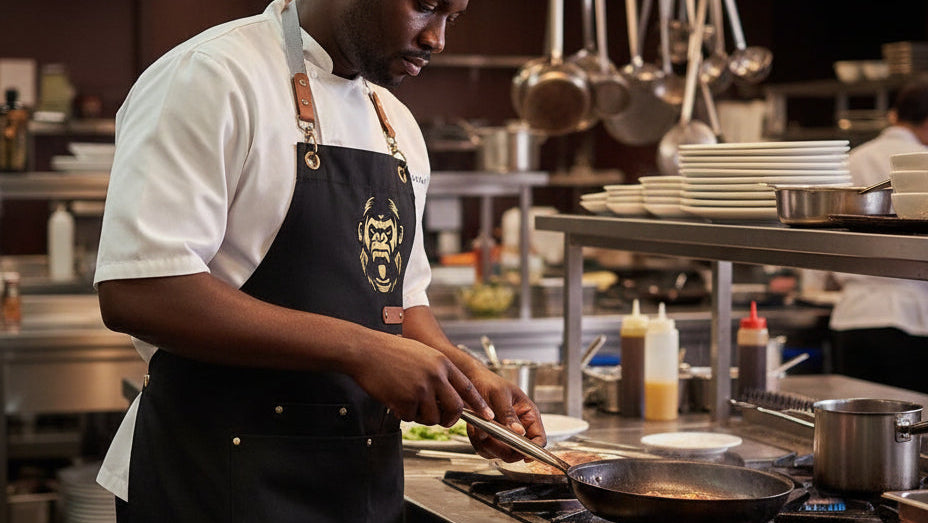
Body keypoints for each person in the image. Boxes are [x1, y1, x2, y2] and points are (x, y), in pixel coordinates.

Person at [93, 1, 546, 521]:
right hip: (214, 481)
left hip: (359, 489)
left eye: (453, 16)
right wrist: (364, 352)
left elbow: (401, 302)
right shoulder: (212, 75)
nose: (437, 39)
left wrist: (464, 375)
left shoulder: (395, 123)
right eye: (424, 6)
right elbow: (139, 290)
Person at [829, 79, 928, 394]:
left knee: (856, 426)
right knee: (908, 431)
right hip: (912, 320)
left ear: (894, 115)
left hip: (852, 317)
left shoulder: (851, 160)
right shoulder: (923, 160)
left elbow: (827, 233)